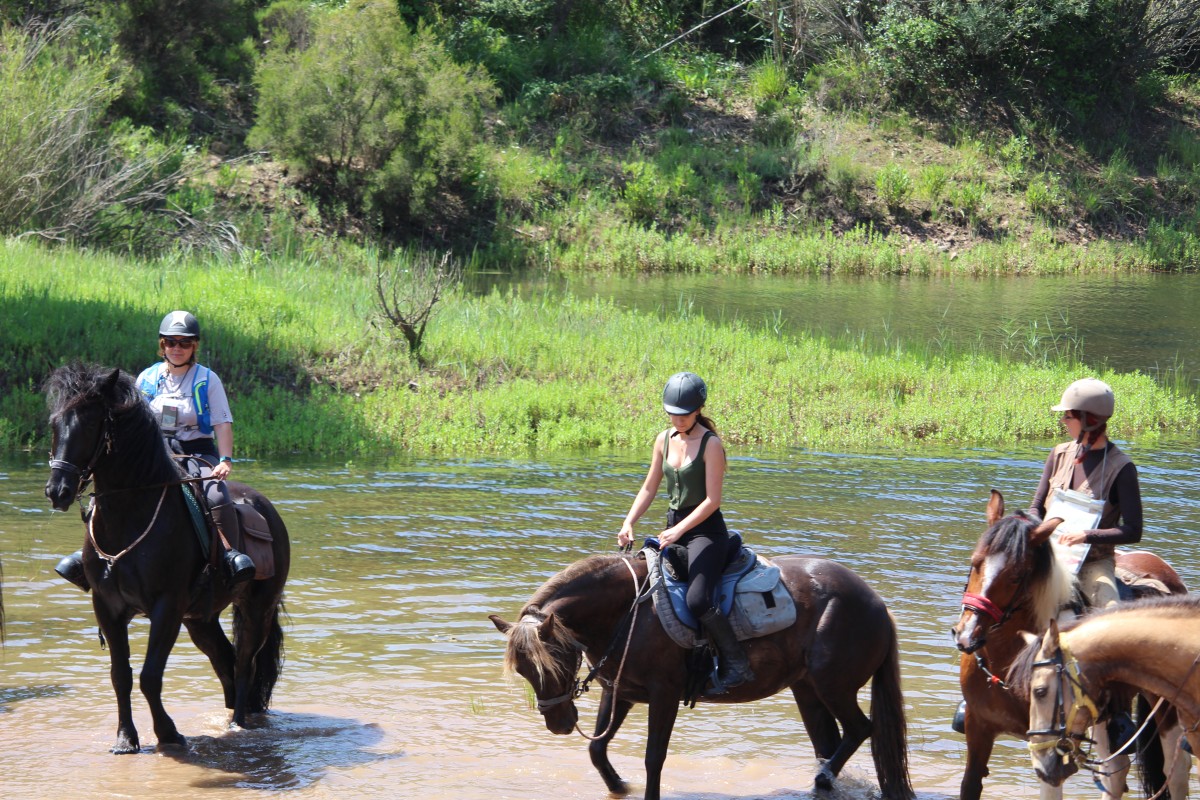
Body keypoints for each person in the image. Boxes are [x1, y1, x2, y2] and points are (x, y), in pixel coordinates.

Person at [55, 311, 255, 590]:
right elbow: (130, 423)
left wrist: (224, 461)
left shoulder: (208, 380)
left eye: (184, 343)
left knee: (215, 493)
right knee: (108, 490)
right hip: (153, 452)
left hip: (195, 452)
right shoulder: (147, 378)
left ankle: (227, 557)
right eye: (171, 342)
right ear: (162, 345)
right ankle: (89, 557)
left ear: (194, 346)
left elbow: (222, 423)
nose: (177, 348)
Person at [617, 371, 754, 692]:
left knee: (697, 600)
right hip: (673, 528)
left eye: (684, 414)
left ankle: (737, 664)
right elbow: (649, 487)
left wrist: (678, 531)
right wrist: (629, 521)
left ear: (698, 410)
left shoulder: (711, 444)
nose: (677, 419)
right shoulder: (663, 440)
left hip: (706, 532)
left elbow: (712, 500)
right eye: (672, 413)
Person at [1029, 377, 1142, 610]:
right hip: (1048, 558)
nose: (1063, 421)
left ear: (1088, 420)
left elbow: (1133, 530)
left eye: (1068, 416)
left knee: (1110, 613)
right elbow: (1036, 507)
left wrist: (1086, 535)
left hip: (1094, 565)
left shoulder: (1122, 468)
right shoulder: (1058, 454)